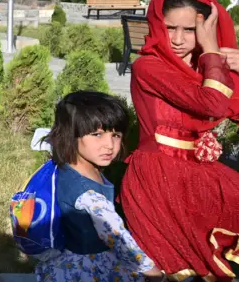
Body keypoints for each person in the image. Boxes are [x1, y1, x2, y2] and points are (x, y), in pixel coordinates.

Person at [120, 0, 239, 281]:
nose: (177, 39)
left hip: (199, 177)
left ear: (207, 27)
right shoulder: (149, 67)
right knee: (166, 270)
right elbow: (213, 105)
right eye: (169, 28)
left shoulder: (207, 68)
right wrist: (213, 53)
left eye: (189, 30)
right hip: (159, 179)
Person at [34, 91, 166, 281]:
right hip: (88, 269)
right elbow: (117, 237)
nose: (109, 145)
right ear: (71, 135)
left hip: (66, 263)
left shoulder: (65, 168)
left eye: (116, 135)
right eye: (97, 134)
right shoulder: (88, 194)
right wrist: (151, 271)